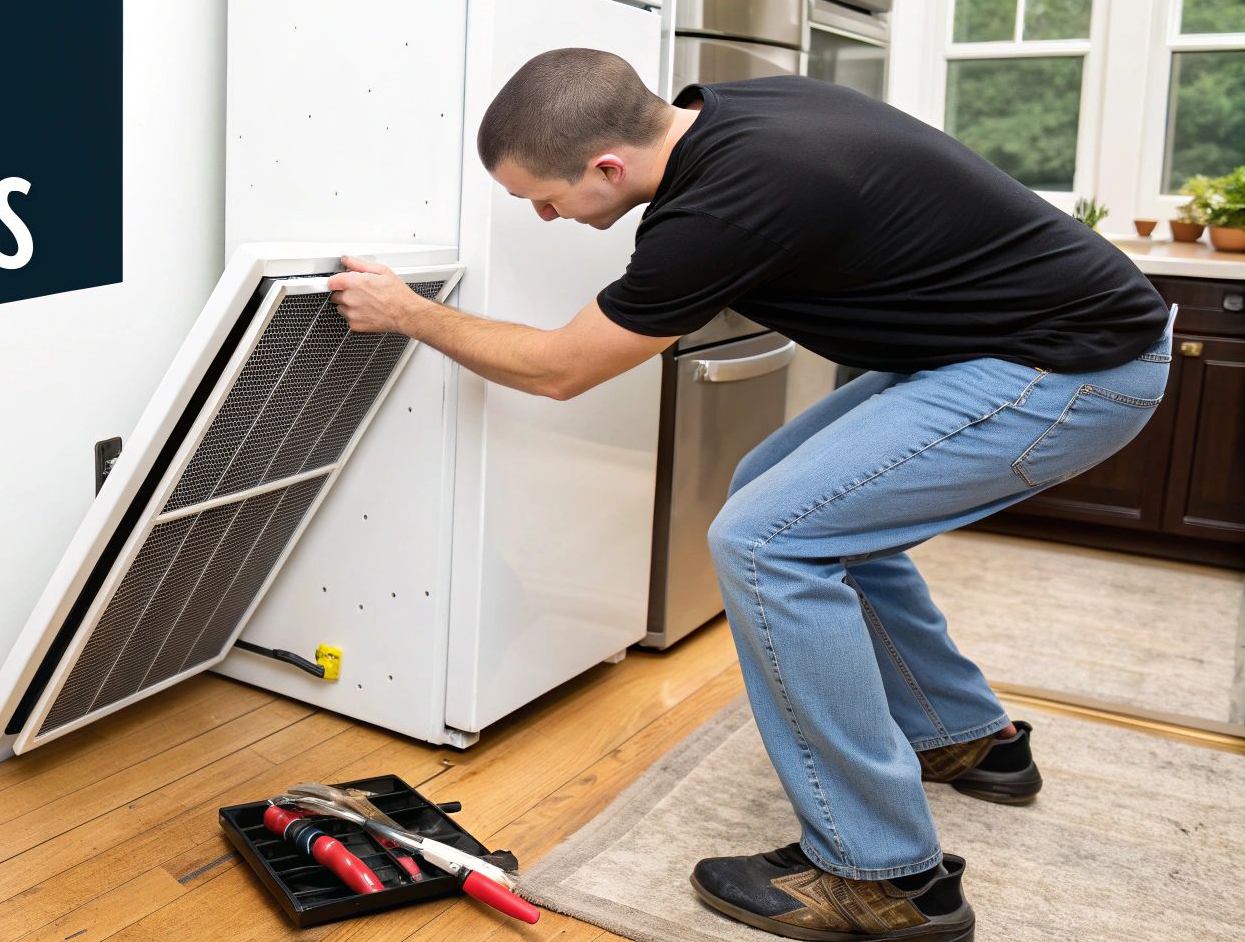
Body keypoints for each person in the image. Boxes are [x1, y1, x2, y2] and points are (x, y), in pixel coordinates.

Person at [328, 47, 1171, 941]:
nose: (543, 214)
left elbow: (560, 370)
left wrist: (410, 312)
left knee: (768, 541)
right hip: (1013, 344)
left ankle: (883, 877)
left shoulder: (724, 204)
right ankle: (958, 734)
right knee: (774, 496)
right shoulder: (735, 115)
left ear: (607, 166)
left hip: (1070, 370)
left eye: (546, 196)